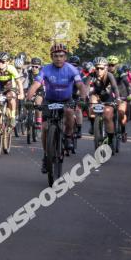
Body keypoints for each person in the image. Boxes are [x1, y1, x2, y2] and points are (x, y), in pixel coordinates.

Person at [24, 42, 88, 173]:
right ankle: (46, 156)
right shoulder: (46, 69)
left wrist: (82, 99)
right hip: (50, 100)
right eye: (55, 56)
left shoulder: (71, 69)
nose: (58, 58)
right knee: (46, 128)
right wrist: (28, 99)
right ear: (51, 57)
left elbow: (81, 85)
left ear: (65, 57)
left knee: (70, 112)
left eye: (61, 55)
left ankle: (69, 136)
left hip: (66, 99)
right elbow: (36, 85)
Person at [87, 56, 121, 144]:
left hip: (107, 96)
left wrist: (117, 98)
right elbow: (86, 87)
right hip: (96, 94)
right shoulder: (92, 74)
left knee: (107, 116)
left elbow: (115, 88)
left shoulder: (109, 75)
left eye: (101, 68)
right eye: (97, 68)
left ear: (105, 68)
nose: (99, 71)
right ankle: (93, 125)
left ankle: (110, 138)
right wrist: (84, 97)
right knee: (91, 105)